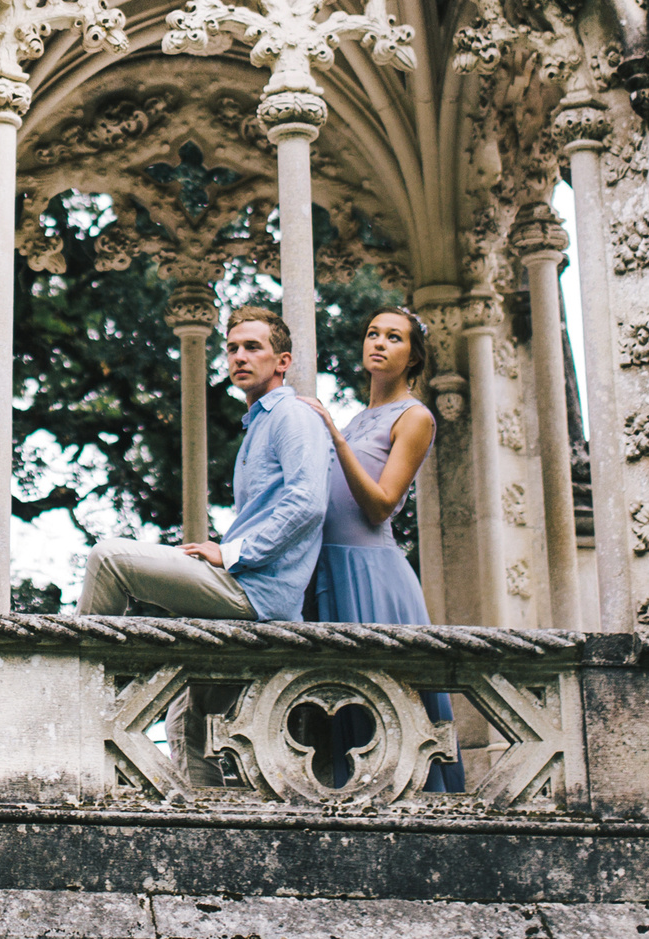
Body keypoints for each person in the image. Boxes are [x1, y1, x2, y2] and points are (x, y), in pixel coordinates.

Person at [296, 305, 464, 792]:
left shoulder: (416, 417)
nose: (379, 343)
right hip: (328, 571)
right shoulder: (357, 417)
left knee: (390, 716)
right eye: (373, 333)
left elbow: (380, 505)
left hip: (372, 576)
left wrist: (331, 435)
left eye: (394, 337)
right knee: (339, 720)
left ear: (413, 356)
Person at [76, 307, 328, 623]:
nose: (239, 357)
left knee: (108, 559)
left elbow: (308, 504)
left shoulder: (292, 414)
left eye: (252, 347)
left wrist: (231, 553)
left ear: (283, 362)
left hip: (255, 592)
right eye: (232, 348)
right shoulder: (259, 424)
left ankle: (77, 670)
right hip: (243, 583)